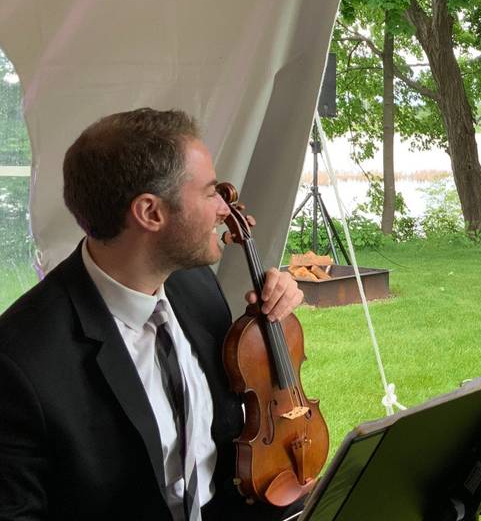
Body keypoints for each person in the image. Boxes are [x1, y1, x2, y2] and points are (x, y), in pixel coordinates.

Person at [0, 108, 305, 520]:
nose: (224, 208)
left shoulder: (196, 288)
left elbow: (231, 437)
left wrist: (270, 323)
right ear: (150, 212)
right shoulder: (20, 360)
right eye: (210, 192)